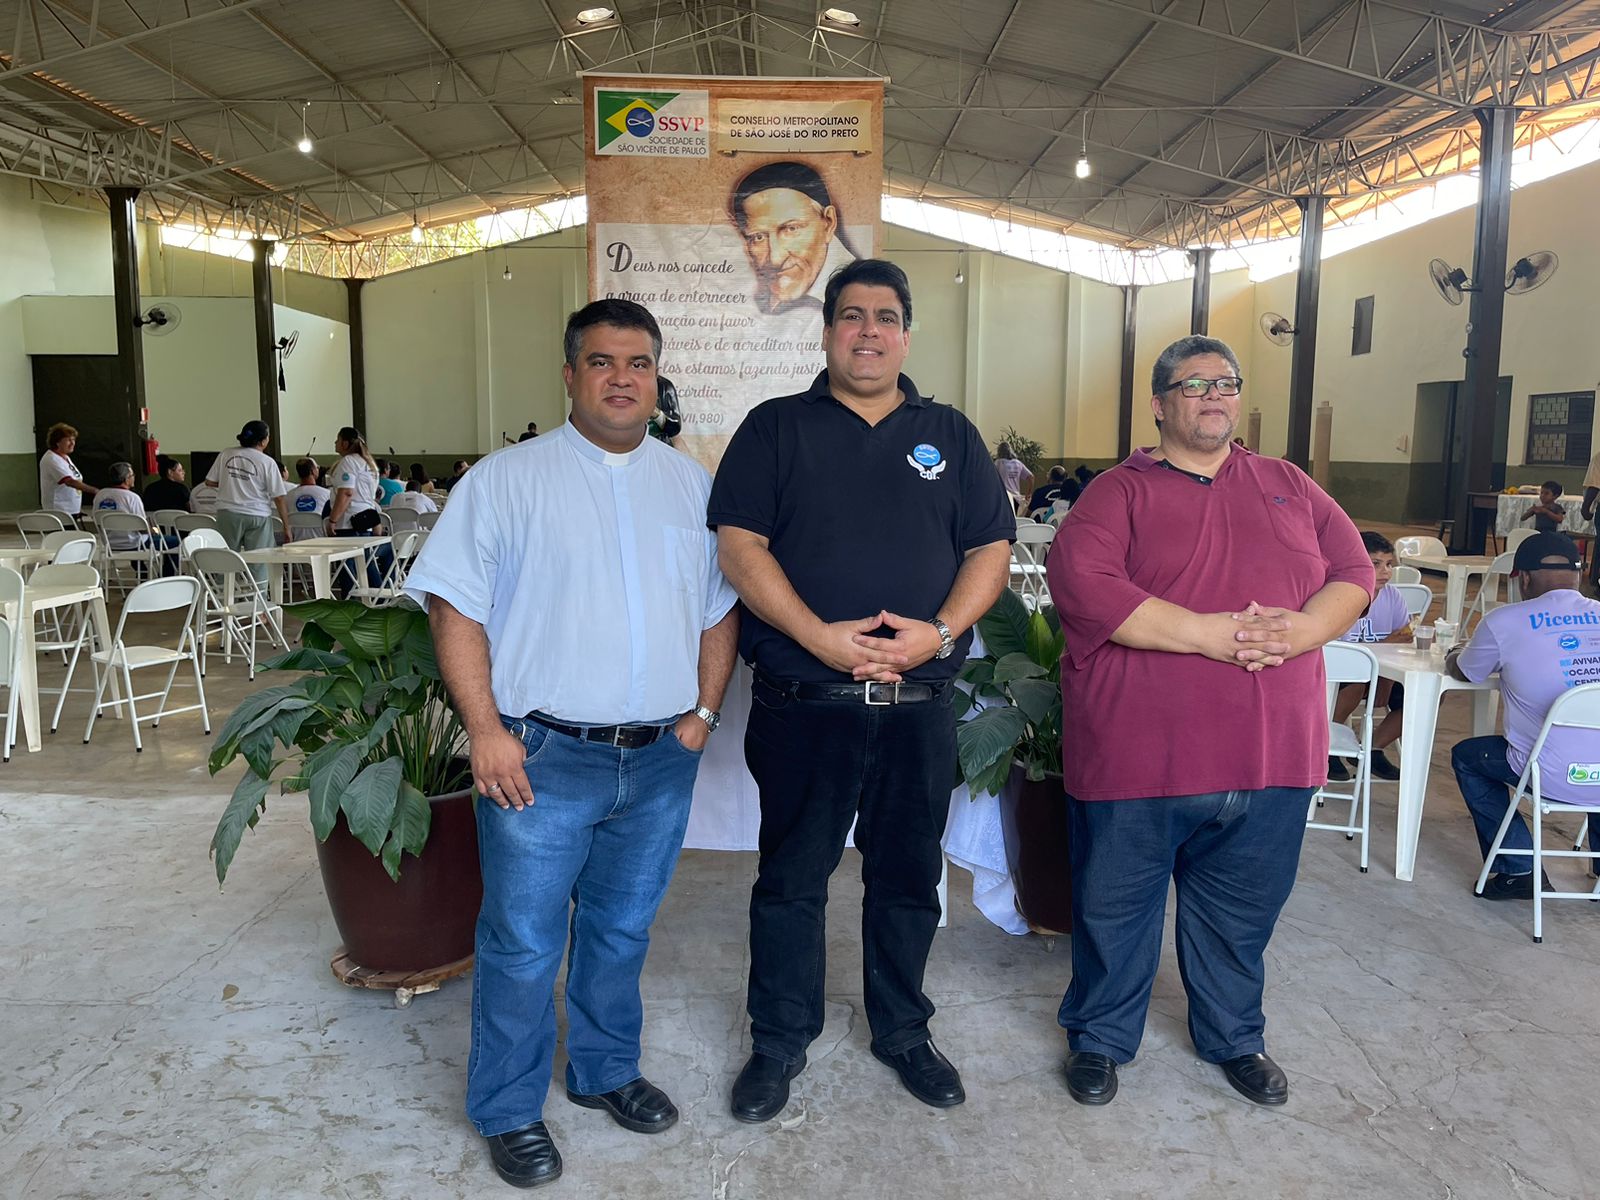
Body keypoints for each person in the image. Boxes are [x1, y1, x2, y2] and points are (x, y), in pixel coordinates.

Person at [403, 299, 738, 1190]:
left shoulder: (691, 487)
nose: (622, 378)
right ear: (569, 374)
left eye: (638, 363)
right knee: (520, 942)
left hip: (659, 758)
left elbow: (717, 609)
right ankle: (509, 1109)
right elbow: (454, 606)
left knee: (623, 929)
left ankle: (603, 1071)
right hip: (539, 760)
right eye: (602, 362)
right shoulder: (504, 482)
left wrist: (703, 712)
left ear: (657, 378)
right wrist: (485, 733)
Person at [709, 258, 1014, 1121]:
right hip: (807, 707)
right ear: (827, 330)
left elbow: (988, 548)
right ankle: (777, 1040)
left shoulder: (948, 434)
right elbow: (740, 548)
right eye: (851, 316)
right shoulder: (775, 428)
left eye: (885, 316)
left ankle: (904, 1032)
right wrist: (821, 640)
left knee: (909, 881)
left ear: (906, 334)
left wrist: (940, 633)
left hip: (919, 712)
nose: (868, 331)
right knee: (791, 881)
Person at [1045, 334, 1371, 1109]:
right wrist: (1215, 634)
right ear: (1160, 405)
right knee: (1114, 910)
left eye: (1225, 383)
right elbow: (1082, 585)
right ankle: (1099, 1038)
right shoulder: (1118, 493)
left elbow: (1354, 571)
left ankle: (1234, 1037)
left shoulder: (1288, 482)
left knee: (1241, 912)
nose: (1213, 396)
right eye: (1193, 386)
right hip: (1141, 757)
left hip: (1272, 757)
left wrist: (1302, 629)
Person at [1449, 532, 1600, 898]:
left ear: (1524, 578)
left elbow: (1468, 671)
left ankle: (1519, 868)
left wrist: (1455, 653)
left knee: (1467, 757)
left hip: (1549, 776)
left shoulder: (1505, 621)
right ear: (1577, 575)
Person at [1329, 532, 1414, 782]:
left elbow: (1405, 636)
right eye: (1375, 564)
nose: (1385, 572)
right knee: (1358, 679)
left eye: (1389, 564)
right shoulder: (1341, 594)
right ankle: (1328, 745)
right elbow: (1338, 649)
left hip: (1380, 670)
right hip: (1338, 672)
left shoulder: (1393, 597)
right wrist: (1384, 643)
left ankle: (1372, 748)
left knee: (1423, 694)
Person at [729, 161, 861, 315]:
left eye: (791, 229)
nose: (775, 259)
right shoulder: (759, 298)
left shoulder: (861, 294)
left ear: (828, 223)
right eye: (758, 237)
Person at [206, 420, 290, 584]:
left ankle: (225, 600)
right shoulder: (267, 462)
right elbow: (278, 497)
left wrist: (230, 482)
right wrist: (287, 526)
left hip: (228, 513)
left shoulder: (226, 454)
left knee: (226, 558)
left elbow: (209, 482)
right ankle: (258, 604)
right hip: (257, 515)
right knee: (259, 561)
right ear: (263, 441)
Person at [94, 462, 175, 571]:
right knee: (174, 542)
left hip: (110, 542)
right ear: (126, 479)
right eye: (132, 476)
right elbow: (142, 528)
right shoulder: (132, 498)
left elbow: (97, 521)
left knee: (137, 537)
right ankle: (167, 575)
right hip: (134, 543)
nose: (134, 478)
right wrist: (155, 530)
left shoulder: (100, 495)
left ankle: (142, 572)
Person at [38, 423, 97, 519]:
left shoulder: (65, 457)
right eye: (69, 440)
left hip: (71, 510)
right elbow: (69, 481)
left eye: (73, 440)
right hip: (60, 510)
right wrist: (94, 491)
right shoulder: (52, 459)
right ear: (57, 442)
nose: (73, 443)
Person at [994, 442, 1033, 512]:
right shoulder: (1018, 463)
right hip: (1017, 498)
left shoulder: (998, 463)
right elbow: (1031, 477)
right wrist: (1029, 493)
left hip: (1004, 498)